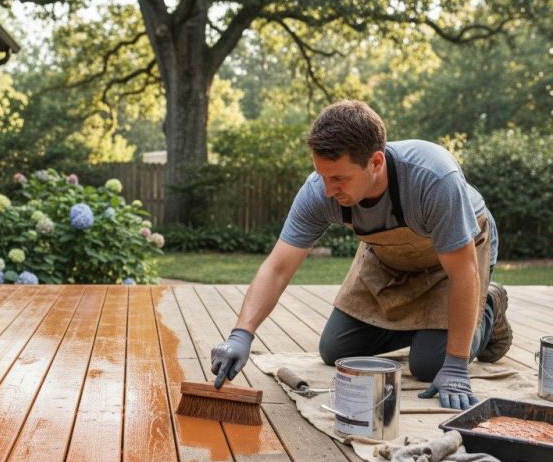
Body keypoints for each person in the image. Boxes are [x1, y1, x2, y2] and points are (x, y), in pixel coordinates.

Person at [211, 100, 512, 410]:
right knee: (336, 350)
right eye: (322, 175)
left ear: (376, 162)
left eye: (339, 179)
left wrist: (457, 364)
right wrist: (241, 333)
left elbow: (462, 274)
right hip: (389, 259)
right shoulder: (320, 190)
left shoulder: (433, 179)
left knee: (430, 365)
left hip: (454, 259)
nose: (328, 190)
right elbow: (277, 267)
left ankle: (489, 305)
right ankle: (431, 330)